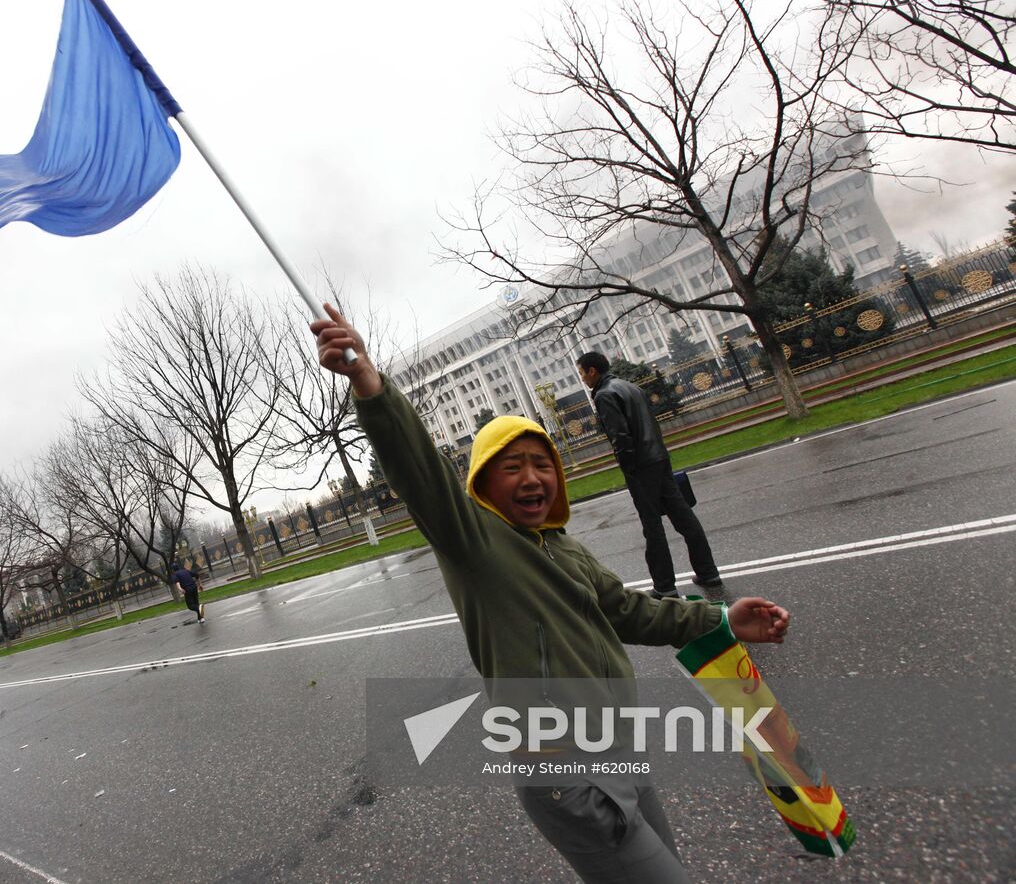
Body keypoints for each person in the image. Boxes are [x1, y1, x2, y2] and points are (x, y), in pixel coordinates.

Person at [311, 305, 791, 883]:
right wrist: (370, 384)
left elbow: (630, 612)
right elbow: (419, 472)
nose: (534, 478)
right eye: (512, 467)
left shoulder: (562, 546)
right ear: (482, 483)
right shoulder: (474, 545)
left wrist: (722, 618)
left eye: (543, 464)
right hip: (569, 775)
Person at [575, 351, 723, 599]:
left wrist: (628, 466)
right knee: (684, 516)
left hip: (640, 465)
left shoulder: (604, 394)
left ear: (593, 371)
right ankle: (709, 572)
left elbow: (620, 436)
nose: (582, 379)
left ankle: (665, 586)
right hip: (659, 457)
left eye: (582, 373)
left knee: (652, 526)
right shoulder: (630, 387)